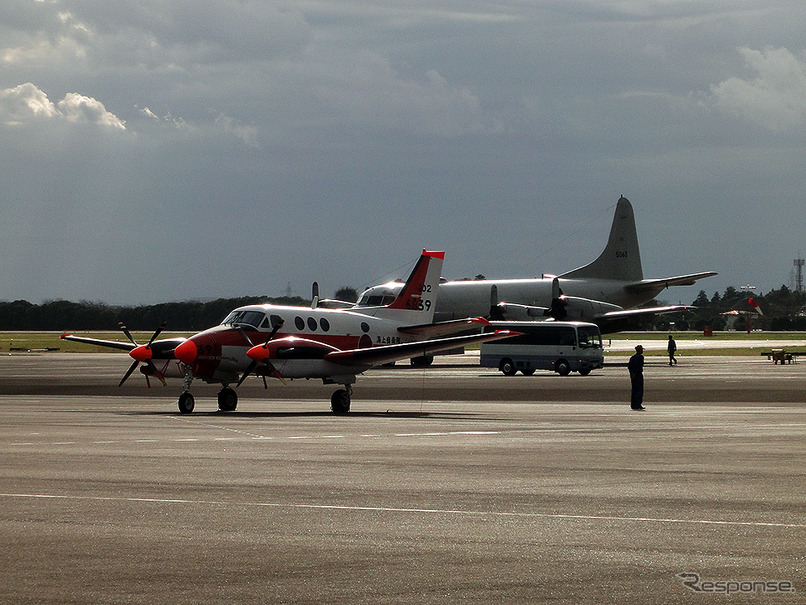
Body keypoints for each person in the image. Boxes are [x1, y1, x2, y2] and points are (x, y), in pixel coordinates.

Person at [628, 344, 645, 410]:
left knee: (634, 390)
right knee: (639, 390)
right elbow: (640, 366)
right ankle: (638, 404)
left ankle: (633, 404)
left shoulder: (632, 357)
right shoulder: (641, 357)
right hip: (638, 375)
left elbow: (629, 367)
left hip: (633, 376)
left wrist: (632, 373)